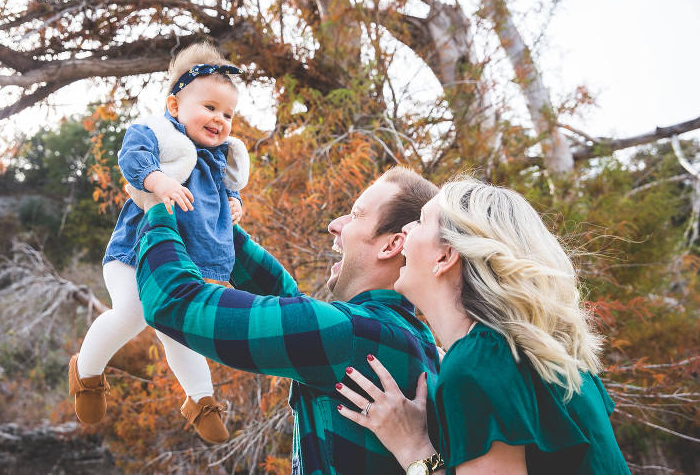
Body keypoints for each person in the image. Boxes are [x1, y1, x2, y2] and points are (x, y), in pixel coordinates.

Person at [132, 166, 443, 474]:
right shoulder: (414, 338)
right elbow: (290, 301)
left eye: (356, 214)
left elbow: (172, 299)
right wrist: (212, 217)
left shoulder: (350, 335)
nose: (335, 225)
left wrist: (157, 209)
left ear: (391, 245)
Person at [334, 176, 631, 474]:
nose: (406, 230)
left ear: (445, 255)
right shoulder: (543, 354)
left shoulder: (477, 367)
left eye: (421, 222)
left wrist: (413, 447)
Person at [68, 41, 250, 444]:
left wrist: (234, 202)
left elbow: (223, 189)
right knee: (132, 313)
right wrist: (157, 180)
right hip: (135, 253)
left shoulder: (219, 157)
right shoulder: (158, 134)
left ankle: (201, 401)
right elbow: (131, 158)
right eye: (210, 107)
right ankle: (87, 373)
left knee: (179, 328)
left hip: (180, 265)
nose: (219, 119)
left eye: (228, 113)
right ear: (174, 107)